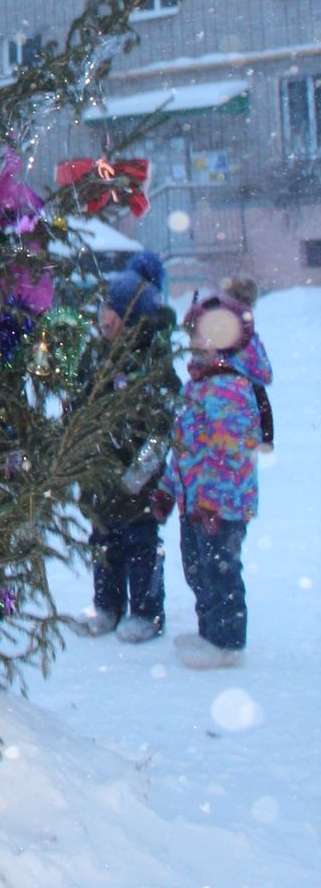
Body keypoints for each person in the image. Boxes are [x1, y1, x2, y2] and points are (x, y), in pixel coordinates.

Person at [150, 285, 272, 669]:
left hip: (221, 504)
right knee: (196, 567)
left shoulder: (231, 388)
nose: (191, 347)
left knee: (220, 571)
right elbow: (186, 448)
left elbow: (230, 452)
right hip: (195, 502)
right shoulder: (199, 386)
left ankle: (227, 642)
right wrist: (170, 490)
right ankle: (209, 633)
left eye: (197, 339)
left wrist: (211, 502)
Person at [80, 249, 177, 642]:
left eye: (114, 310)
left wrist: (141, 471)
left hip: (137, 476)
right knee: (103, 542)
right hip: (99, 471)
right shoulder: (95, 357)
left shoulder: (152, 363)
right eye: (104, 307)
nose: (105, 317)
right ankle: (107, 606)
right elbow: (79, 405)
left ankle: (147, 613)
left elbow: (163, 426)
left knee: (140, 544)